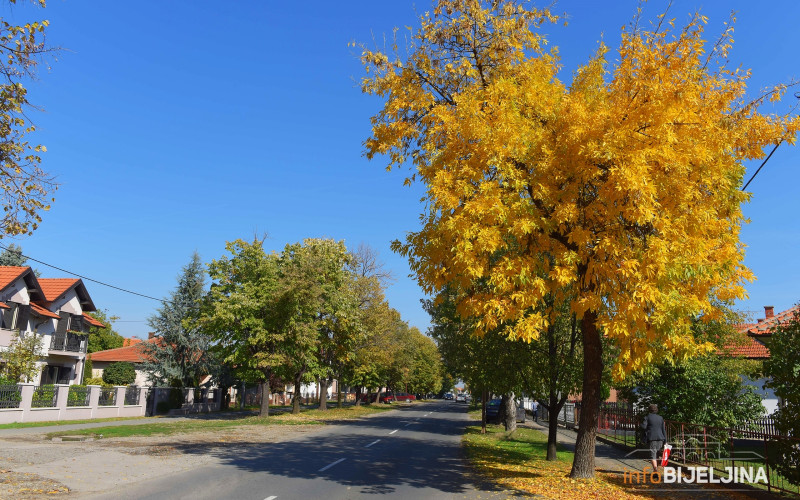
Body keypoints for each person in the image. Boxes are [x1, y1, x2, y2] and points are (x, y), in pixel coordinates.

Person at [641, 404, 666, 471]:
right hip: (661, 438)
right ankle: (656, 469)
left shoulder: (647, 417)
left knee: (653, 456)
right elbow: (663, 430)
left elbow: (643, 427)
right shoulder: (660, 418)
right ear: (656, 410)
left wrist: (641, 424)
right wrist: (665, 441)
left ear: (649, 410)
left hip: (652, 439)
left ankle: (655, 471)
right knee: (657, 455)